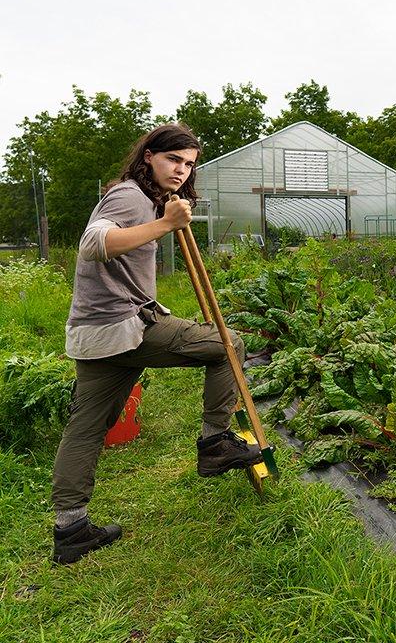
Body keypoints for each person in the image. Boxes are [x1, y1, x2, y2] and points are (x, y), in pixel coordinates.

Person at [52, 123, 263, 565]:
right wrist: (165, 223)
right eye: (173, 160)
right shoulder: (129, 195)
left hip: (93, 333)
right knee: (228, 346)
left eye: (189, 164)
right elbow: (93, 244)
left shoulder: (146, 198)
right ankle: (215, 443)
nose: (182, 171)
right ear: (149, 155)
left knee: (86, 428)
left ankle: (70, 528)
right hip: (124, 327)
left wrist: (164, 217)